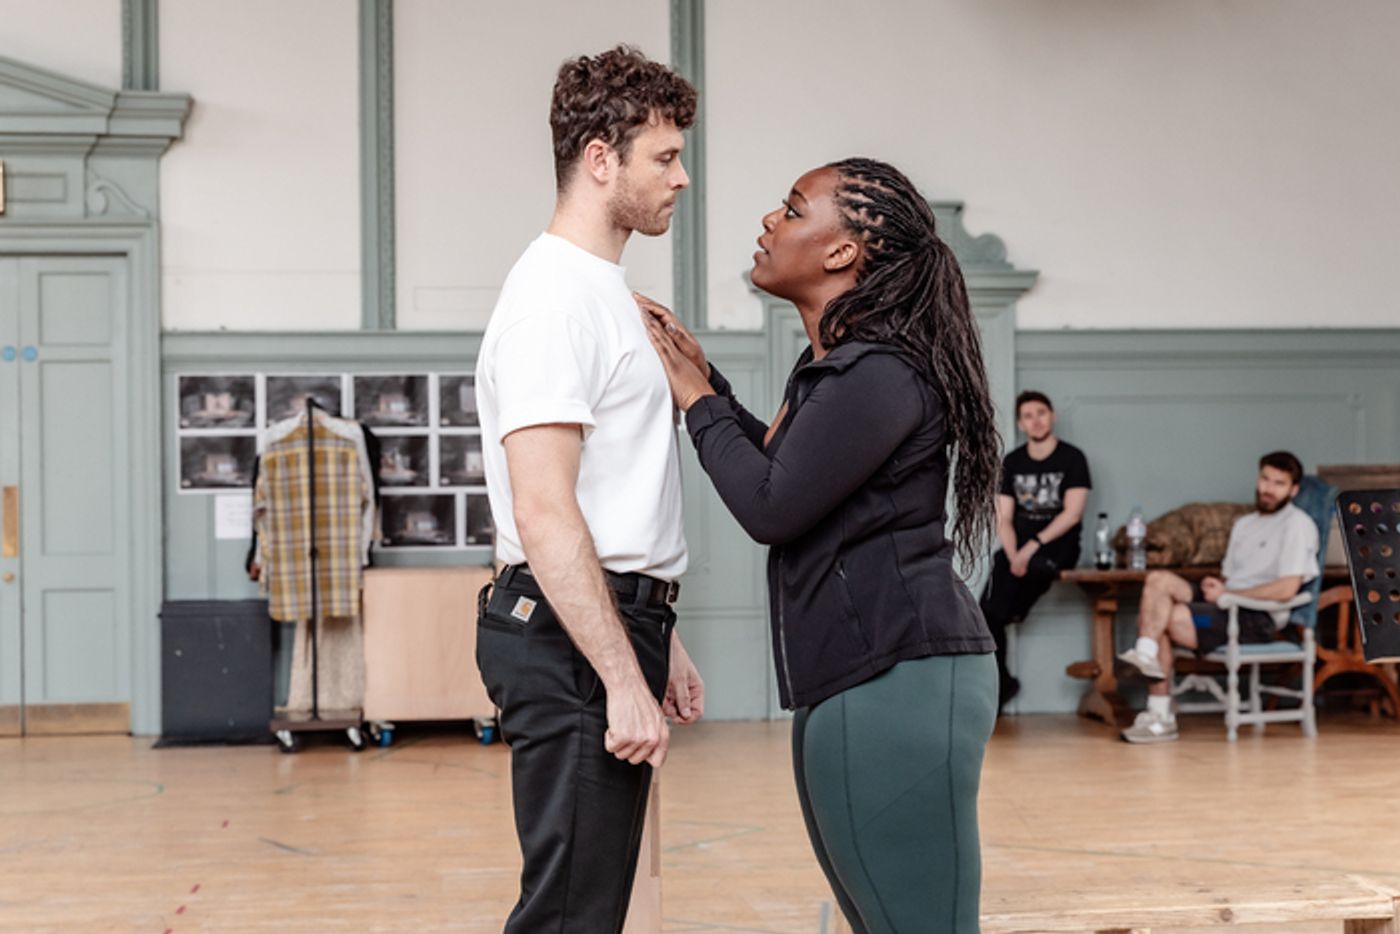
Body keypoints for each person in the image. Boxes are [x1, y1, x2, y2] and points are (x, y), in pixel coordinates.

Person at [639, 157, 1000, 933]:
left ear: (842, 252)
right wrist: (707, 384)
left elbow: (770, 505)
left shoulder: (878, 372)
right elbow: (786, 474)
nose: (771, 222)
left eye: (792, 209)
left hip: (897, 678)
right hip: (862, 679)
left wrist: (697, 398)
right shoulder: (838, 368)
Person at [473, 46, 706, 933]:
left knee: (591, 908)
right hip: (570, 641)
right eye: (664, 157)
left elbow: (617, 499)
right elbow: (544, 509)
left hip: (606, 620)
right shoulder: (553, 302)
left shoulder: (603, 290)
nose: (681, 178)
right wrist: (620, 674)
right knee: (569, 916)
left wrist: (660, 637)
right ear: (600, 158)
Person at [1116, 451, 1319, 744]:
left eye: (1279, 483)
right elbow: (1232, 577)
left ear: (1293, 490)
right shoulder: (1245, 524)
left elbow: (1286, 589)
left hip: (1252, 618)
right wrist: (1219, 586)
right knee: (1157, 580)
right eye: (1265, 479)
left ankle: (1159, 715)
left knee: (1164, 618)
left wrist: (1229, 593)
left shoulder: (1297, 526)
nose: (1268, 489)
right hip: (1220, 607)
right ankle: (1145, 654)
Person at [979, 390, 1091, 711]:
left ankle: (1015, 609)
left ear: (1052, 416)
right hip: (1019, 549)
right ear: (1020, 423)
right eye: (1028, 415)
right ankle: (1002, 687)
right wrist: (1014, 553)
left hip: (1056, 547)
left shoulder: (1072, 458)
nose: (1036, 420)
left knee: (1037, 567)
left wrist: (1030, 549)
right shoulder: (1012, 462)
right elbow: (1004, 518)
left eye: (1041, 412)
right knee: (986, 615)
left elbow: (1072, 514)